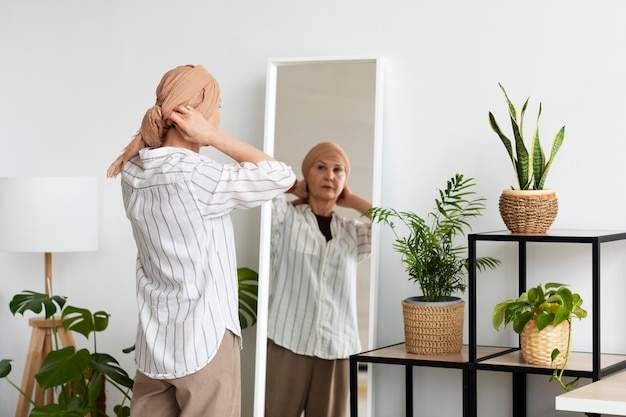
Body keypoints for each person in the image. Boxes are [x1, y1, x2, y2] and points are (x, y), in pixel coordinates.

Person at [107, 64, 296, 417]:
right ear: (197, 113)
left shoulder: (132, 171)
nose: (219, 116)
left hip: (155, 344)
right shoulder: (197, 176)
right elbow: (280, 175)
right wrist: (212, 138)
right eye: (218, 106)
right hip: (205, 339)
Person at [265, 142, 372, 417]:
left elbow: (394, 225)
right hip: (286, 342)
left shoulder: (352, 232)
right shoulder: (285, 219)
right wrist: (295, 188)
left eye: (339, 171)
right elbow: (268, 184)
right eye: (321, 167)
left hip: (337, 350)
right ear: (306, 174)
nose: (330, 176)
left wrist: (353, 201)